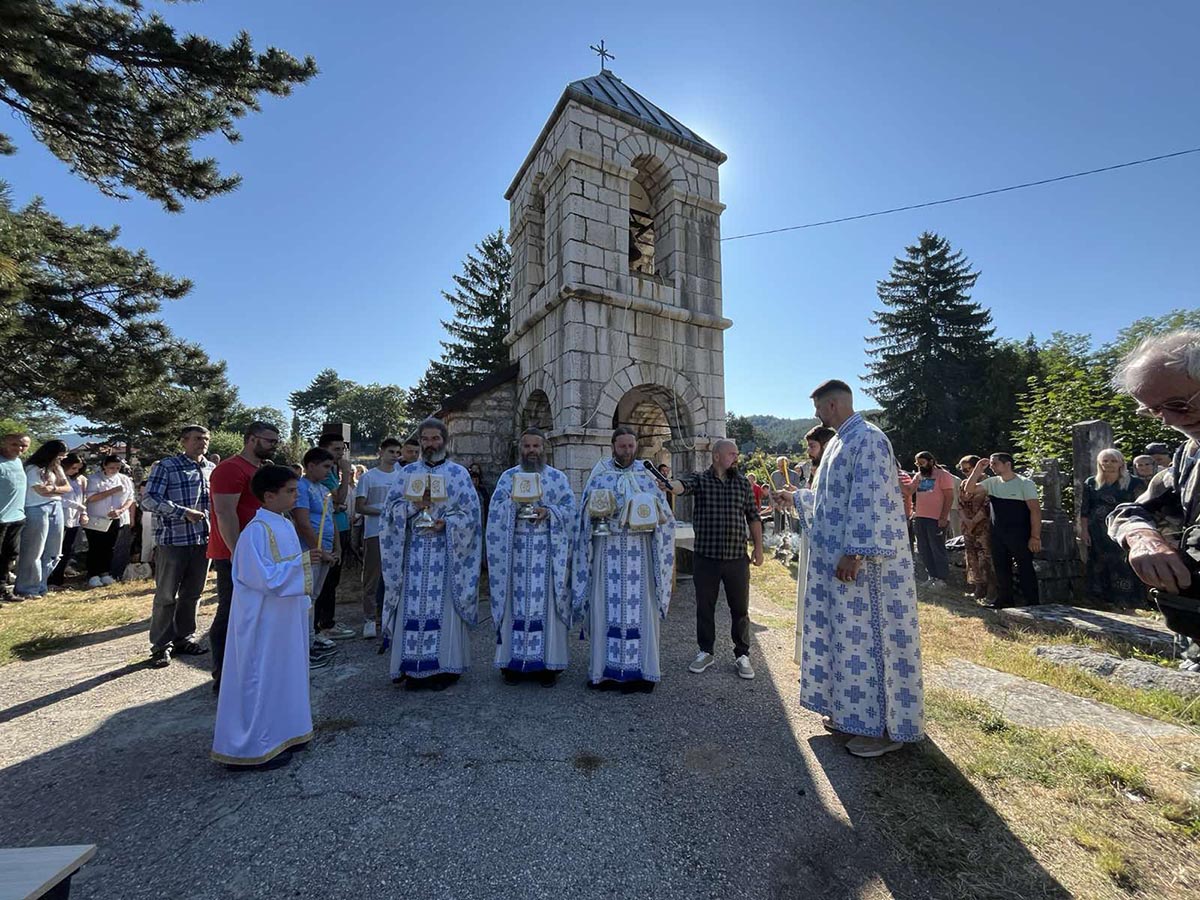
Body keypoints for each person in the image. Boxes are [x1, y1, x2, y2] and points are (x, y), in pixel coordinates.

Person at [789, 380, 923, 758]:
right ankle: (852, 715)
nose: (815, 414)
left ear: (832, 405)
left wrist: (856, 551)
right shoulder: (839, 442)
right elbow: (833, 499)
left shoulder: (869, 439)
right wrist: (797, 497)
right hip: (843, 568)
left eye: (817, 407)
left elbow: (873, 500)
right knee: (849, 642)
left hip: (868, 571)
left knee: (872, 642)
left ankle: (885, 729)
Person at [211, 465, 335, 769]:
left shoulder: (281, 523)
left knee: (285, 674)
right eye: (290, 491)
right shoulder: (255, 531)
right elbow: (261, 577)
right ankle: (254, 747)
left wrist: (304, 563)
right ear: (268, 496)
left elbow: (286, 568)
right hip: (263, 622)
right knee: (261, 678)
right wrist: (304, 565)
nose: (296, 496)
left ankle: (287, 732)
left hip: (283, 619)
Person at [1106, 331, 1200, 670]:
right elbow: (1131, 511)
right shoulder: (1189, 456)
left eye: (1178, 404)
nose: (1171, 421)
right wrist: (1142, 538)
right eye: (1154, 411)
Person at [379, 418, 482, 689]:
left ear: (444, 441)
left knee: (443, 611)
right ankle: (412, 668)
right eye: (425, 438)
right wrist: (414, 506)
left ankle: (445, 668)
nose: (430, 443)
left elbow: (471, 515)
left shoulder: (458, 474)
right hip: (413, 553)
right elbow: (389, 512)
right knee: (412, 609)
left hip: (446, 554)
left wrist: (447, 523)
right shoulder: (406, 473)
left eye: (435, 438)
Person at [571, 426, 675, 692]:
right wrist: (599, 510)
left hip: (640, 555)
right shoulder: (600, 472)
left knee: (641, 613)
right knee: (605, 609)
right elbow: (584, 509)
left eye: (631, 446)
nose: (627, 451)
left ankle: (642, 674)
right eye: (622, 446)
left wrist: (648, 509)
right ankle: (604, 674)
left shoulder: (645, 473)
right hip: (608, 553)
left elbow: (664, 511)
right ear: (613, 446)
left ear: (636, 446)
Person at [486, 428, 577, 685]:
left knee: (546, 608)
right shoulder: (508, 478)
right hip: (514, 558)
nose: (532, 451)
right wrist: (513, 506)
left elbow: (571, 512)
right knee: (515, 609)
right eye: (527, 446)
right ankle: (512, 665)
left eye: (536, 446)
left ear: (544, 448)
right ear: (520, 449)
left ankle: (549, 665)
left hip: (547, 557)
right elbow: (494, 513)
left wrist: (549, 512)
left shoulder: (558, 479)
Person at [667, 438, 763, 680]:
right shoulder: (701, 479)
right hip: (706, 559)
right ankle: (705, 651)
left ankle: (742, 655)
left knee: (740, 609)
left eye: (736, 454)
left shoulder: (742, 483)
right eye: (731, 454)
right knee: (705, 608)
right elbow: (682, 486)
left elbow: (753, 517)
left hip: (736, 559)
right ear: (717, 456)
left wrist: (759, 548)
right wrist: (669, 485)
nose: (736, 458)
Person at [208, 421, 279, 691]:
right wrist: (237, 553)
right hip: (233, 552)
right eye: (269, 441)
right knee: (231, 611)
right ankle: (223, 676)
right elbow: (225, 513)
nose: (274, 446)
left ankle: (248, 668)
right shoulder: (230, 469)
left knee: (254, 612)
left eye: (276, 442)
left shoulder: (259, 469)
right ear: (252, 439)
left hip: (257, 551)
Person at [140, 426, 215, 667]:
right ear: (184, 442)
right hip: (174, 540)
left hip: (203, 541)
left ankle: (184, 638)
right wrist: (182, 513)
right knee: (166, 595)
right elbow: (149, 500)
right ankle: (161, 646)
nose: (201, 443)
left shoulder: (211, 469)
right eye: (196, 439)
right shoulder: (167, 466)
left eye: (205, 439)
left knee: (193, 594)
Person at [964, 453, 1042, 608]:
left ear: (1007, 465)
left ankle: (1032, 602)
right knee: (1001, 567)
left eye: (995, 463)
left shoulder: (1025, 483)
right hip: (998, 532)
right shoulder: (992, 482)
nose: (992, 466)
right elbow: (969, 489)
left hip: (1020, 532)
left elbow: (1035, 510)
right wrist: (978, 470)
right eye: (991, 464)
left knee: (1025, 566)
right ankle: (1005, 600)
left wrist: (1035, 536)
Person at [293, 447, 348, 661]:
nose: (329, 471)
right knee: (306, 597)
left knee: (314, 597)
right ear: (310, 466)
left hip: (325, 550)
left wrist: (337, 548)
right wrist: (320, 551)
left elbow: (331, 518)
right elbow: (303, 523)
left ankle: (311, 637)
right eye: (325, 466)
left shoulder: (322, 489)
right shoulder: (301, 487)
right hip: (311, 550)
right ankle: (303, 644)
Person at [791, 425, 835, 665]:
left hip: (825, 543)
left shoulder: (831, 468)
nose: (809, 451)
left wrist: (796, 497)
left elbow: (826, 503)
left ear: (825, 445)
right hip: (812, 539)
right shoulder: (817, 469)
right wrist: (796, 496)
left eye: (812, 446)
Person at [1079, 449, 1146, 606]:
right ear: (1100, 463)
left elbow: (1143, 508)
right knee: (1099, 565)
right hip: (1097, 531)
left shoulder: (1134, 483)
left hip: (1123, 530)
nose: (1109, 464)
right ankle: (1105, 602)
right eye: (1105, 461)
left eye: (1113, 461)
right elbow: (1085, 509)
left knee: (1124, 565)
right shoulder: (1091, 482)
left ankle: (1129, 603)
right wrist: (1084, 531)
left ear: (1121, 463)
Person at [355, 438, 404, 639]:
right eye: (391, 452)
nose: (394, 456)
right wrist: (383, 511)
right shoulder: (369, 478)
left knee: (394, 575)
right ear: (381, 452)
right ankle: (369, 619)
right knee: (373, 577)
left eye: (397, 452)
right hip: (374, 533)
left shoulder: (402, 476)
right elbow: (360, 507)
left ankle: (391, 616)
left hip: (397, 533)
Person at [308, 433, 356, 638]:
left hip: (340, 527)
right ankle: (322, 625)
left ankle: (326, 621)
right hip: (326, 531)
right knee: (324, 581)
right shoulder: (326, 475)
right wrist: (346, 474)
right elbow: (340, 497)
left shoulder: (331, 472)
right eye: (336, 449)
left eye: (342, 449)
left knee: (332, 579)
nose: (341, 454)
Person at [15, 440, 72, 599]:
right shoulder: (33, 469)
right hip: (36, 508)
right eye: (59, 457)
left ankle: (41, 584)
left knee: (54, 550)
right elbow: (40, 490)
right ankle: (27, 587)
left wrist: (53, 488)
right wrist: (55, 490)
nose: (61, 460)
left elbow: (67, 488)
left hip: (56, 507)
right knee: (34, 550)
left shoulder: (57, 468)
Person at [84, 455, 135, 589]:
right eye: (111, 467)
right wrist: (112, 491)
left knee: (109, 547)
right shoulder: (94, 479)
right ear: (104, 466)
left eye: (118, 468)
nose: (114, 470)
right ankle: (93, 574)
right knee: (95, 546)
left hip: (115, 517)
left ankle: (105, 572)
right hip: (96, 517)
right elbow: (90, 498)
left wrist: (122, 510)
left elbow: (130, 498)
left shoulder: (124, 479)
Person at [906, 451, 954, 587]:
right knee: (923, 548)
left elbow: (949, 497)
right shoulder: (919, 475)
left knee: (937, 548)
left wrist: (943, 517)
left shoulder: (943, 475)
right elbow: (909, 490)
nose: (920, 465)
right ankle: (931, 576)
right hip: (920, 517)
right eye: (917, 463)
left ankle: (941, 579)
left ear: (931, 461)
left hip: (936, 519)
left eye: (922, 462)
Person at [48, 454, 88, 589]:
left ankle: (59, 578)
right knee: (55, 549)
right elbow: (57, 498)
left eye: (78, 468)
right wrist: (76, 506)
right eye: (74, 467)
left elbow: (82, 498)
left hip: (74, 519)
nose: (76, 471)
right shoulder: (56, 478)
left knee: (68, 549)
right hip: (60, 516)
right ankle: (49, 578)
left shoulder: (79, 480)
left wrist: (83, 512)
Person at [957, 455, 994, 601]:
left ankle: (991, 588)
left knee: (985, 557)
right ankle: (978, 587)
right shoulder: (964, 484)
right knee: (971, 556)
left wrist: (973, 521)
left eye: (967, 469)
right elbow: (960, 504)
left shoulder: (988, 482)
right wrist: (966, 521)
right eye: (962, 469)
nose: (965, 472)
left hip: (983, 526)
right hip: (967, 526)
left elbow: (987, 504)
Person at [0, 433, 31, 601]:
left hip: (16, 517)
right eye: (15, 444)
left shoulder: (19, 462)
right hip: (1, 518)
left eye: (23, 446)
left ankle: (2, 589)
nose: (19, 448)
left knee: (10, 555)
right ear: (5, 443)